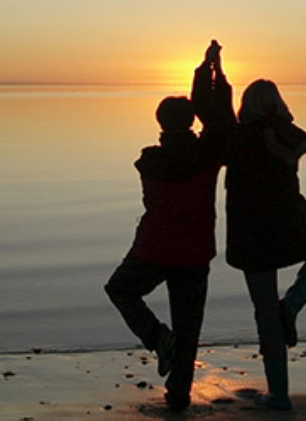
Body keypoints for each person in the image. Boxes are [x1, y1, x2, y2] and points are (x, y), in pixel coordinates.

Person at [193, 40, 306, 411]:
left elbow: (210, 110)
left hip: (252, 234)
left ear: (247, 106)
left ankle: (279, 394)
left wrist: (209, 69)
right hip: (290, 226)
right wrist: (219, 70)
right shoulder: (289, 135)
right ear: (277, 104)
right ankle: (291, 306)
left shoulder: (238, 139)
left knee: (265, 313)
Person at [104, 95, 223, 414]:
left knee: (119, 289)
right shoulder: (208, 157)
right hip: (194, 252)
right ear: (192, 121)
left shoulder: (148, 161)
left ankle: (157, 337)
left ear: (160, 122)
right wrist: (212, 72)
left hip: (153, 248)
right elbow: (219, 124)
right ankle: (179, 395)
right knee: (189, 324)